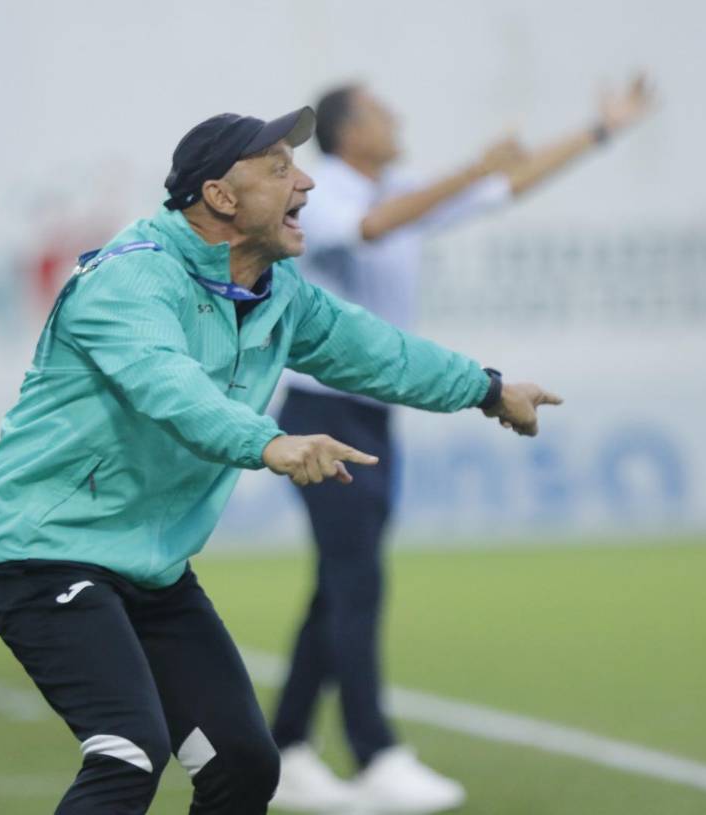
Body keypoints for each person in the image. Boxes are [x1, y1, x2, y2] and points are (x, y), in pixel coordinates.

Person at [0, 106, 561, 815]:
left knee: (245, 763)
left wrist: (487, 388)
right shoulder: (130, 279)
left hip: (148, 568)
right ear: (219, 196)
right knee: (127, 749)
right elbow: (169, 387)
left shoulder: (279, 295)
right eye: (278, 169)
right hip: (39, 552)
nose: (304, 182)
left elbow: (377, 350)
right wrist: (270, 443)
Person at [269, 76, 655, 813]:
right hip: (322, 411)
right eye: (384, 112)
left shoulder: (399, 187)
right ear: (350, 132)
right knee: (356, 581)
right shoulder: (329, 193)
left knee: (340, 582)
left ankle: (284, 745)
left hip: (371, 414)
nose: (398, 118)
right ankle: (374, 749)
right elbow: (378, 225)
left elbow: (506, 182)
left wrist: (598, 130)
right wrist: (472, 169)